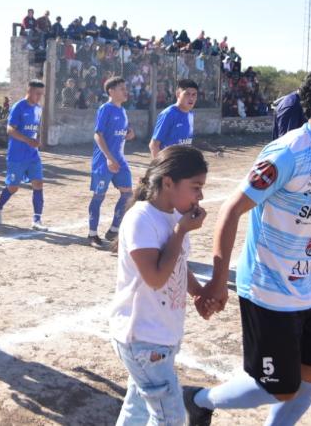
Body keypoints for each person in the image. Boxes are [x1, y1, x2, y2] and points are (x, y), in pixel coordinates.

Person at [183, 66, 311, 426]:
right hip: (267, 286)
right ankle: (197, 400)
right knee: (280, 387)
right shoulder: (286, 154)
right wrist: (217, 280)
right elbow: (231, 210)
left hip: (306, 284)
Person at [110, 145, 212, 425]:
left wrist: (198, 292)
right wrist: (180, 232)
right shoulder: (141, 219)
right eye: (195, 187)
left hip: (161, 334)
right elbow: (155, 278)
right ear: (168, 182)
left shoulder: (173, 216)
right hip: (143, 338)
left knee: (138, 407)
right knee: (170, 417)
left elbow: (176, 264)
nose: (200, 195)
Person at [0, 80, 47, 230]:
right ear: (29, 91)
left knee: (38, 184)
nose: (39, 97)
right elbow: (10, 129)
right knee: (13, 187)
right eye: (37, 93)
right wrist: (28, 140)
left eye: (41, 94)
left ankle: (37, 220)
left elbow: (35, 128)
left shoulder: (38, 108)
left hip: (33, 155)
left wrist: (37, 140)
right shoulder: (19, 107)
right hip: (16, 154)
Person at [88, 76, 136, 248]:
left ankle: (114, 229)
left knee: (128, 194)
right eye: (122, 88)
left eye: (125, 88)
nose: (125, 91)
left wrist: (129, 133)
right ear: (111, 91)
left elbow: (121, 132)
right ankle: (92, 234)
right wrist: (109, 158)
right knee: (99, 196)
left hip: (120, 159)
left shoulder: (122, 110)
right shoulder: (105, 109)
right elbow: (98, 134)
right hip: (104, 160)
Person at [150, 79, 198, 158]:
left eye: (194, 95)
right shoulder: (168, 114)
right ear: (178, 94)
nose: (191, 98)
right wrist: (161, 168)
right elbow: (154, 145)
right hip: (170, 166)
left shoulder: (190, 114)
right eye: (187, 94)